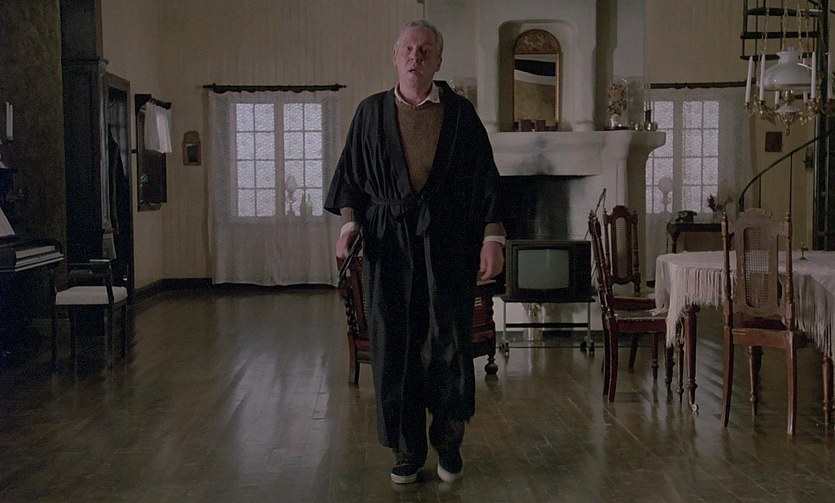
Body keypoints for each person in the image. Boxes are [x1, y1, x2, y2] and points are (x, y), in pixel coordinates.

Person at [325, 19, 505, 485]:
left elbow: (485, 180)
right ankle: (406, 450)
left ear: (438, 60)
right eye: (408, 48)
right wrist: (349, 226)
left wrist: (492, 237)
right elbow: (352, 177)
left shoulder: (461, 115)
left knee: (448, 343)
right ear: (395, 56)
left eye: (425, 49)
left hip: (449, 242)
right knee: (395, 344)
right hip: (388, 243)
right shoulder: (369, 112)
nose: (415, 56)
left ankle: (449, 443)